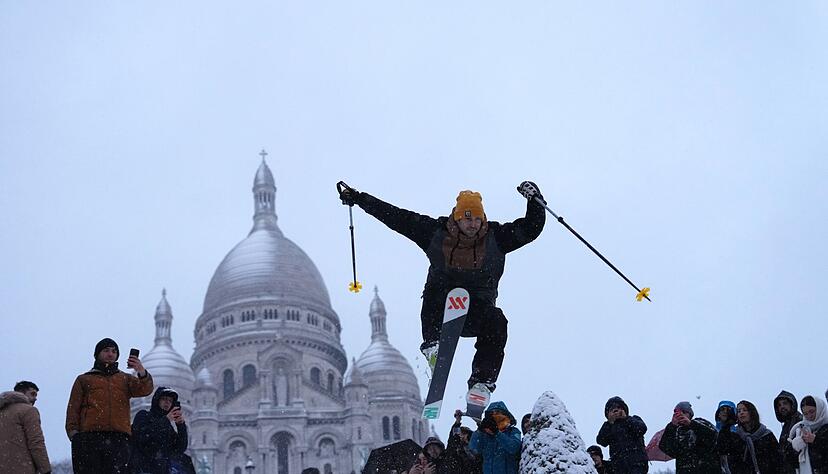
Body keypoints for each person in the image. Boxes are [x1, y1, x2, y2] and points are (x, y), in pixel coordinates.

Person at [338, 182, 545, 392]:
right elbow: (396, 217)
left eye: (477, 219)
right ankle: (433, 346)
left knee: (497, 320)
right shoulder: (435, 233)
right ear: (456, 218)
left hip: (476, 314)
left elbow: (531, 229)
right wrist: (360, 198)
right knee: (436, 287)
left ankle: (482, 382)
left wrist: (535, 200)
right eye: (467, 218)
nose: (473, 224)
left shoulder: (497, 237)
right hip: (442, 311)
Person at [66, 338, 154, 474]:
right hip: (90, 438)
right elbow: (73, 408)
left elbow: (146, 389)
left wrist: (140, 370)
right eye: (106, 350)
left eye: (114, 351)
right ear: (97, 354)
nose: (110, 354)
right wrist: (74, 434)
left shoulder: (124, 379)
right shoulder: (84, 379)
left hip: (119, 438)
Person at [130, 387, 195, 474]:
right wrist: (166, 420)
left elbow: (179, 448)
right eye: (164, 399)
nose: (167, 402)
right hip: (142, 468)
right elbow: (144, 438)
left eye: (170, 401)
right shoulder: (143, 415)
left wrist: (181, 425)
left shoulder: (168, 426)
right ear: (157, 400)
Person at [716, 399, 782, 474]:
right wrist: (727, 425)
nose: (741, 413)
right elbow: (722, 450)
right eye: (739, 411)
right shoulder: (736, 437)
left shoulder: (766, 435)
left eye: (744, 410)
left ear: (752, 412)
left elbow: (778, 461)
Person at [0, 381, 51, 473]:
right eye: (33, 394)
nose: (35, 398)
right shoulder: (28, 411)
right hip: (21, 468)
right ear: (21, 393)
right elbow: (36, 442)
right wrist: (45, 469)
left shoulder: (2, 412)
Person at [657, 401, 719, 474]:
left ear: (690, 414)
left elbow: (713, 436)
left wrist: (691, 424)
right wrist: (671, 426)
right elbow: (666, 448)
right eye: (676, 413)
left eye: (683, 412)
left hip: (705, 469)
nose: (680, 416)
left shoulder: (700, 423)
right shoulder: (675, 431)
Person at [596, 396, 648, 474]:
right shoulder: (609, 426)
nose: (616, 411)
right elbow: (601, 441)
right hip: (618, 467)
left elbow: (642, 428)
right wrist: (609, 422)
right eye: (612, 410)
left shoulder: (633, 419)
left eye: (618, 408)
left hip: (637, 465)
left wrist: (626, 419)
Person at [469, 401, 522, 474]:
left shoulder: (513, 431)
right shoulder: (485, 435)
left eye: (498, 413)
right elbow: (474, 448)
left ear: (505, 414)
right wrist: (480, 430)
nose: (495, 416)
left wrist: (497, 433)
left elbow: (514, 448)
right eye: (491, 414)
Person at [789, 395, 828, 474]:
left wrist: (816, 440)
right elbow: (791, 462)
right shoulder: (800, 429)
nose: (809, 416)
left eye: (812, 411)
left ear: (819, 408)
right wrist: (795, 448)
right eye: (805, 413)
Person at [775, 390, 804, 474]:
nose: (782, 407)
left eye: (785, 403)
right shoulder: (786, 424)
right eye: (779, 405)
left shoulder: (800, 421)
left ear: (792, 404)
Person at [715, 400, 738, 473]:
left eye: (728, 409)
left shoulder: (740, 434)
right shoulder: (712, 433)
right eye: (722, 409)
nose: (725, 411)